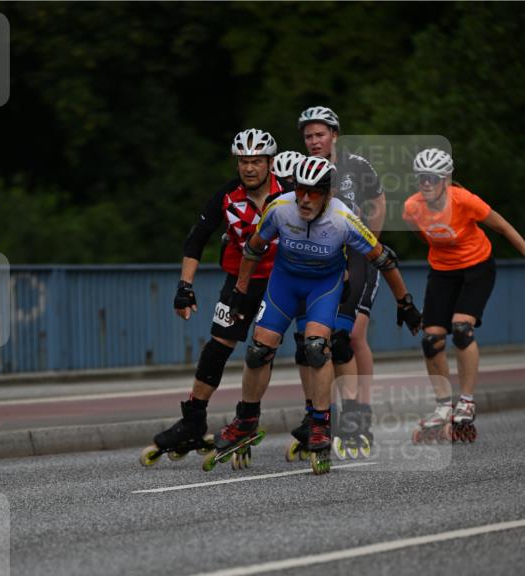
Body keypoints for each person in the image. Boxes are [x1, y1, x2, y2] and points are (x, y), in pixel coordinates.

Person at [210, 156, 421, 475]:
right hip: (285, 282)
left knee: (316, 348)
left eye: (314, 193)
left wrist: (405, 302)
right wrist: (240, 290)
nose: (305, 199)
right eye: (301, 191)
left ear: (329, 193)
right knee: (258, 350)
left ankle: (321, 423)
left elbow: (384, 261)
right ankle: (246, 420)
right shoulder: (280, 207)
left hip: (324, 285)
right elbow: (254, 247)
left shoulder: (343, 218)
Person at [140, 128, 283, 466]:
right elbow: (196, 240)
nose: (249, 168)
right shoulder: (226, 196)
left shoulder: (290, 194)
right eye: (243, 161)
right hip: (239, 284)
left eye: (256, 162)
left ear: (270, 163)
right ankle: (193, 420)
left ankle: (256, 418)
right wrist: (184, 287)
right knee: (217, 347)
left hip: (281, 283)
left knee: (263, 351)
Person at [403, 147, 525, 442]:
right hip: (443, 272)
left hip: (477, 268)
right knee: (431, 339)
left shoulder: (465, 201)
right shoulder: (412, 208)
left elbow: (504, 227)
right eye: (422, 179)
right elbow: (422, 235)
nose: (427, 184)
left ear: (446, 178)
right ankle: (444, 406)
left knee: (461, 328)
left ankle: (467, 400)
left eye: (433, 178)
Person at [297, 106, 386, 448]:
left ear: (335, 135)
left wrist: (372, 246)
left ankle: (360, 409)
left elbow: (378, 201)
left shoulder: (356, 165)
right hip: (323, 262)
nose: (314, 141)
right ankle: (320, 412)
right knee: (319, 339)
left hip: (359, 255)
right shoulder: (304, 170)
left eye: (320, 134)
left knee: (352, 335)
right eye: (309, 136)